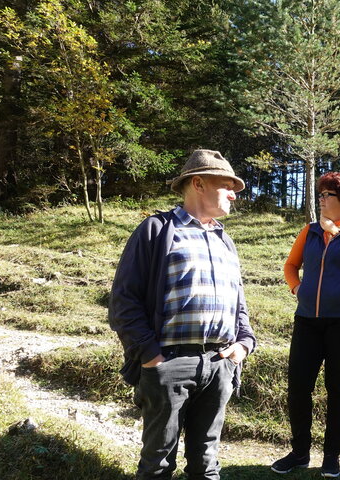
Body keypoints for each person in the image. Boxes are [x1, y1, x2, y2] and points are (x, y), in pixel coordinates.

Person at [109, 149, 257, 480]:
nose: (234, 194)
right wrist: (150, 355)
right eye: (226, 185)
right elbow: (124, 300)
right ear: (198, 184)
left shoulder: (224, 240)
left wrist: (244, 343)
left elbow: (238, 302)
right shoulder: (157, 230)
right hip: (169, 364)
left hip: (220, 364)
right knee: (158, 464)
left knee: (207, 462)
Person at [271, 172, 340, 478]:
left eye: (327, 195)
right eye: (320, 195)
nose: (321, 200)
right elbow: (290, 265)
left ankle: (331, 456)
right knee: (298, 387)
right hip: (307, 320)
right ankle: (299, 453)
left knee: (338, 390)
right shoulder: (309, 231)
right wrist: (297, 288)